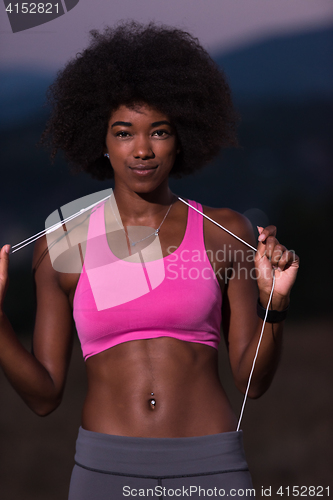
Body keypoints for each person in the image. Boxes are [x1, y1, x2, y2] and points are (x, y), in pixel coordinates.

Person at [0, 22, 299, 499]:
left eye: (158, 132)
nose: (142, 149)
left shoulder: (226, 234)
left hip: (211, 465)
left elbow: (253, 382)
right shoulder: (62, 242)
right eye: (124, 133)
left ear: (181, 138)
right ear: (102, 140)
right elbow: (43, 396)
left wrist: (273, 303)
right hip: (103, 470)